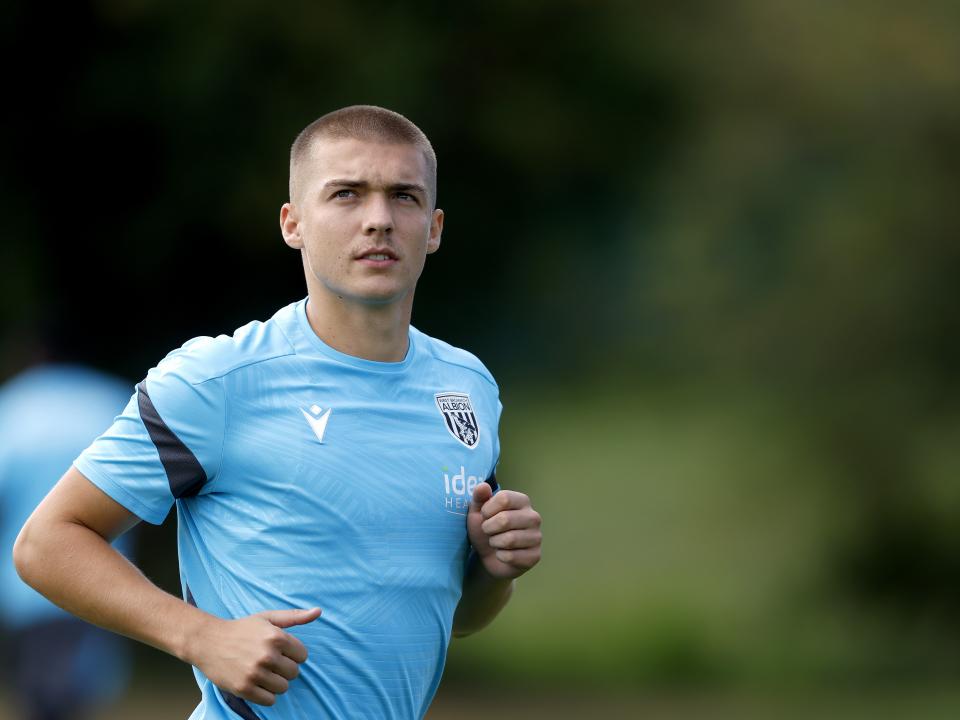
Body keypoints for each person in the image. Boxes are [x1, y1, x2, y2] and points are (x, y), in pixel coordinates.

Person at [15, 105, 542, 719]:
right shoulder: (216, 380)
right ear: (293, 223)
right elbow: (45, 544)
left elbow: (458, 618)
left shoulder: (467, 387)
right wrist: (200, 636)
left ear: (434, 227)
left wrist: (496, 570)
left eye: (404, 196)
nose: (378, 219)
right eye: (346, 194)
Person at [0, 363, 134, 720]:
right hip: (102, 582)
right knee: (76, 692)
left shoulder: (14, 405)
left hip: (25, 586)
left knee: (40, 697)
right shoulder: (115, 400)